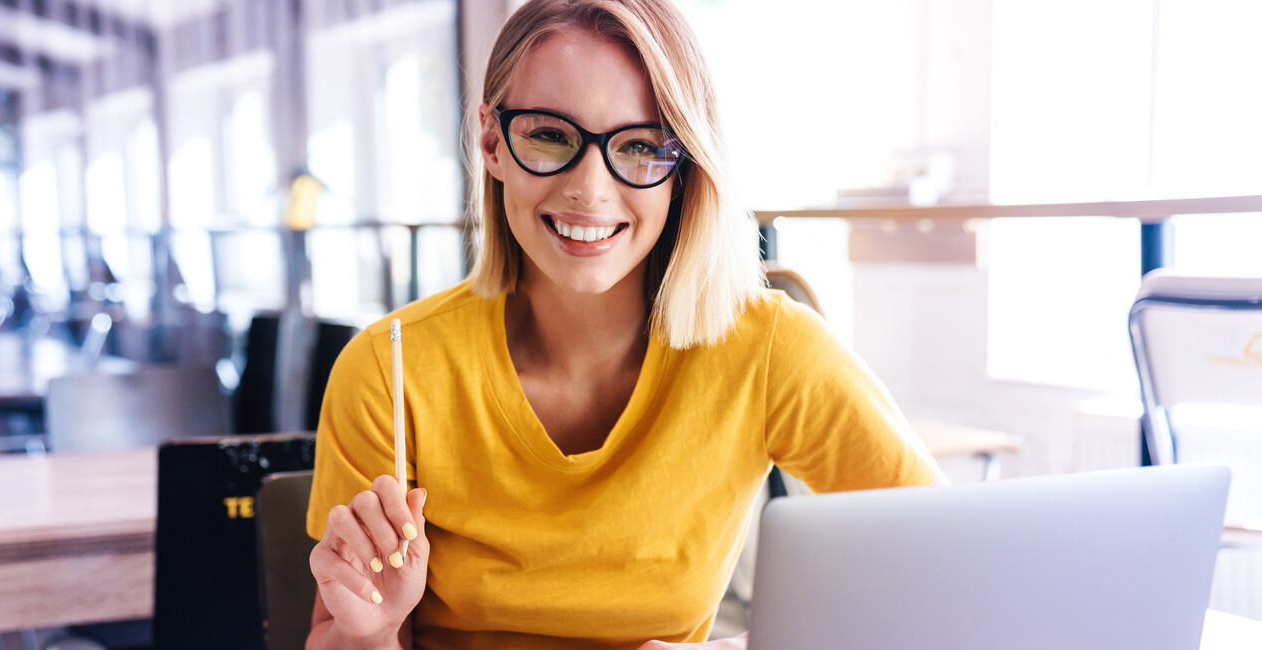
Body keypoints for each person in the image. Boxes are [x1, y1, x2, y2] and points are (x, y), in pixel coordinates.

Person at [305, 1, 943, 648]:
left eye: (639, 147)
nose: (591, 188)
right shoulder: (390, 368)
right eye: (550, 135)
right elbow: (339, 635)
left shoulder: (770, 350)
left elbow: (944, 570)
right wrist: (374, 632)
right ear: (492, 142)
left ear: (683, 169)